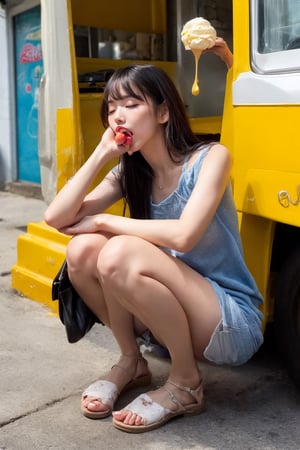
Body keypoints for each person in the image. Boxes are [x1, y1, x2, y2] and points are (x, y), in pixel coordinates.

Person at [44, 63, 263, 433]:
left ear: (163, 112)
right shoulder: (129, 173)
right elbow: (57, 217)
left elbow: (184, 236)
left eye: (130, 104)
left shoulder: (209, 158)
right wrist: (101, 154)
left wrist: (105, 222)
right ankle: (132, 362)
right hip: (172, 318)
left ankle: (185, 383)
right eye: (111, 108)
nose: (117, 116)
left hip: (228, 321)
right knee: (82, 251)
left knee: (115, 250)